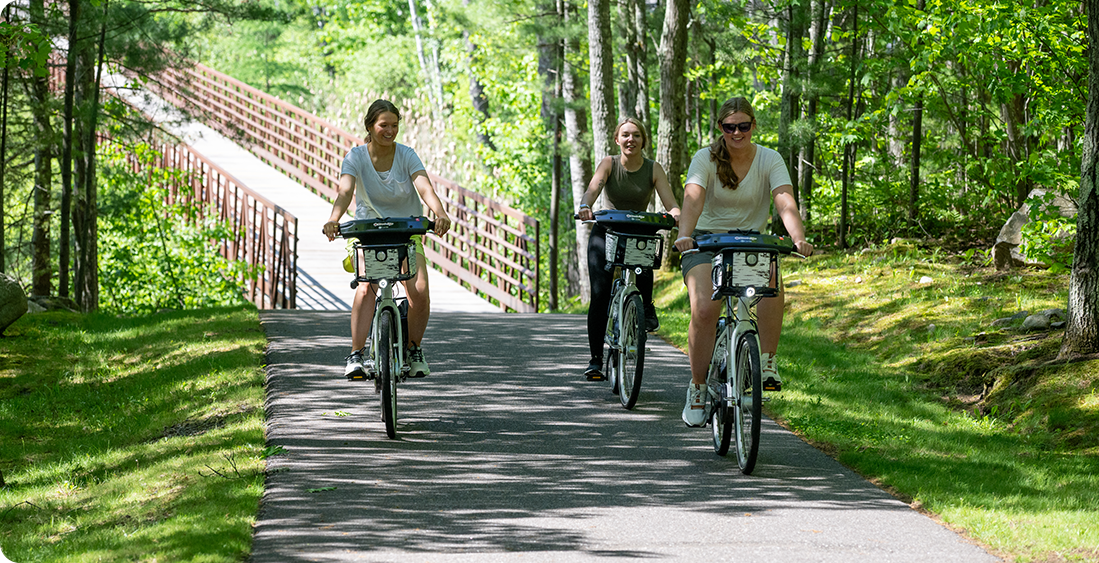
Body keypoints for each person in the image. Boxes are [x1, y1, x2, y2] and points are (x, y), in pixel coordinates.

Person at [672, 97, 813, 427]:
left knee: (771, 282)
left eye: (744, 126)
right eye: (729, 127)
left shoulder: (769, 159)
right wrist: (685, 234)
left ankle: (767, 362)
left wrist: (798, 238)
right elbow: (692, 198)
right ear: (720, 128)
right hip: (706, 241)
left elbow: (784, 200)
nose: (737, 132)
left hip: (749, 242)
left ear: (753, 126)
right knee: (706, 308)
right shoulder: (704, 158)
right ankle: (698, 386)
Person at [323, 99, 452, 379]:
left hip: (406, 229)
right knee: (365, 288)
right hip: (368, 230)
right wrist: (334, 219)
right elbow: (345, 191)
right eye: (384, 125)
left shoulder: (407, 155)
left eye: (394, 125)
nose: (390, 131)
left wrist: (439, 213)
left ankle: (414, 349)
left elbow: (424, 187)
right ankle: (356, 354)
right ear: (371, 126)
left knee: (418, 290)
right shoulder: (356, 157)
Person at [577, 117, 681, 381]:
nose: (630, 140)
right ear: (617, 139)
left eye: (636, 135)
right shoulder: (609, 164)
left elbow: (671, 202)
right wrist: (585, 206)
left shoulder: (653, 168)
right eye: (625, 135)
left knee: (645, 264)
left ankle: (645, 306)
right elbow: (593, 190)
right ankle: (596, 360)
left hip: (638, 230)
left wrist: (676, 215)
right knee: (600, 294)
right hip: (607, 230)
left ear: (643, 140)